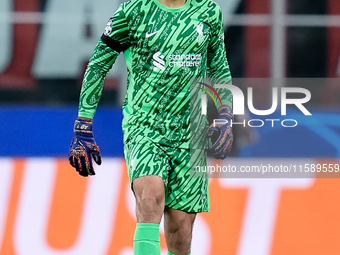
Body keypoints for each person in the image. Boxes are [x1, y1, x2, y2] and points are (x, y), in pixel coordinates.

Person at [68, 0, 233, 254]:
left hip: (191, 133)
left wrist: (225, 115)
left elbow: (219, 68)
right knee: (150, 196)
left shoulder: (208, 12)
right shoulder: (133, 11)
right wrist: (83, 124)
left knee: (180, 228)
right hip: (145, 127)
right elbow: (98, 64)